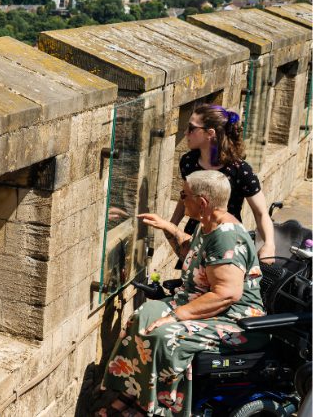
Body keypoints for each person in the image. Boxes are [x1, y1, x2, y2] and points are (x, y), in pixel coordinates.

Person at [99, 170, 267, 416]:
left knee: (165, 336)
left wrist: (176, 316)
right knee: (143, 316)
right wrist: (168, 227)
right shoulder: (207, 224)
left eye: (184, 195)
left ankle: (159, 407)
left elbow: (227, 294)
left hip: (233, 318)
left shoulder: (227, 237)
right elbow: (192, 254)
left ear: (202, 202)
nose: (180, 199)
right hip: (203, 304)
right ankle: (135, 393)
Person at [171, 104, 275, 261]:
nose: (186, 132)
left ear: (210, 133)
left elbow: (260, 212)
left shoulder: (240, 170)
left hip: (227, 239)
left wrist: (269, 244)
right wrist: (172, 226)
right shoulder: (188, 162)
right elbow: (186, 196)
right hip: (195, 236)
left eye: (191, 128)